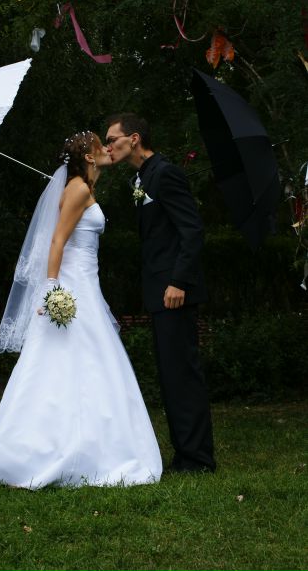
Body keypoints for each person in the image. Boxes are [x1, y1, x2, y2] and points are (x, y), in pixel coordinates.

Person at [0, 131, 162, 488]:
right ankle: (42, 449)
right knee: (63, 360)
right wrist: (52, 289)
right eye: (101, 145)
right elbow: (57, 240)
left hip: (86, 283)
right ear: (88, 157)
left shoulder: (83, 187)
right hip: (72, 287)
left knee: (85, 361)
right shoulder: (78, 189)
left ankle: (87, 442)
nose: (108, 149)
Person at [105, 113, 216, 473]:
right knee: (171, 375)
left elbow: (192, 230)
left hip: (174, 292)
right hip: (159, 290)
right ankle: (186, 454)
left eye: (112, 139)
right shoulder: (141, 178)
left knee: (183, 374)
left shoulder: (165, 173)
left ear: (134, 138)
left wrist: (179, 281)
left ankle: (198, 459)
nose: (108, 146)